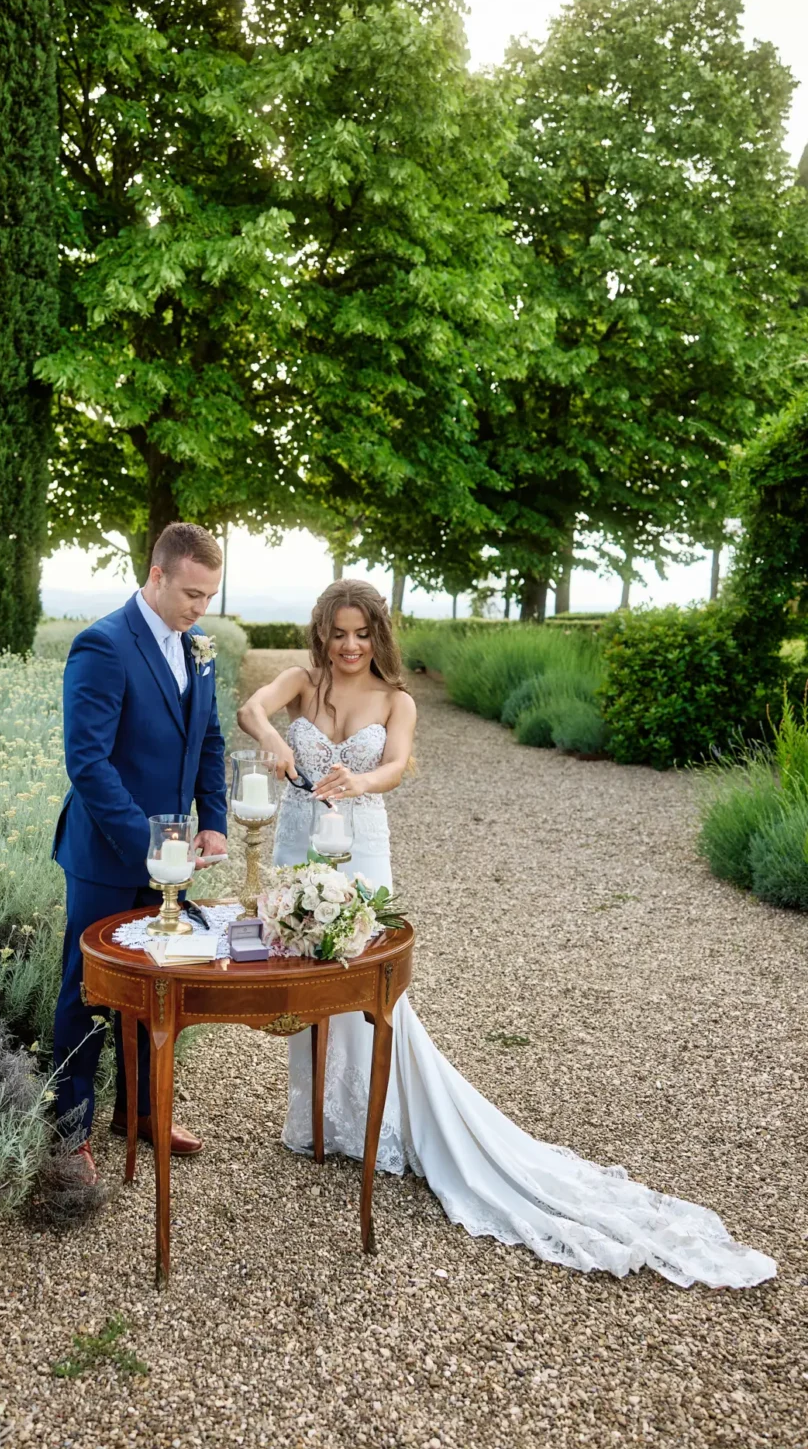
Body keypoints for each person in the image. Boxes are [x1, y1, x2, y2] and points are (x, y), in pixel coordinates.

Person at [237, 579, 775, 1288]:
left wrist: (359, 783)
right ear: (322, 633)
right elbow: (250, 708)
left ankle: (380, 1120)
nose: (349, 646)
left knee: (362, 978)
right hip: (298, 839)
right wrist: (275, 739)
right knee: (305, 969)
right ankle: (320, 1123)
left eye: (361, 633)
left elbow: (394, 764)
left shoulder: (397, 700)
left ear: (378, 635)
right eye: (338, 633)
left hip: (359, 842)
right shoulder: (302, 682)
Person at [52, 522, 228, 1183]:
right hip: (105, 854)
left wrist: (214, 821)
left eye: (209, 597)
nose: (200, 609)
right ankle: (69, 1136)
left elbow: (209, 739)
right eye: (191, 594)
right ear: (157, 576)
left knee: (160, 986)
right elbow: (88, 763)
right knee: (88, 991)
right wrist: (148, 846)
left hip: (173, 854)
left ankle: (143, 1113)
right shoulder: (102, 644)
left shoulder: (200, 647)